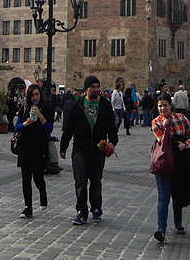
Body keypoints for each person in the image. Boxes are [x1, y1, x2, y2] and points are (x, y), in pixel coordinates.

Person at [60, 75, 118, 225]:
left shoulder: (104, 104)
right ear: (86, 89)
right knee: (80, 179)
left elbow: (111, 125)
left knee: (96, 180)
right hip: (80, 148)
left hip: (98, 149)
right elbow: (69, 127)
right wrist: (63, 147)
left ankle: (96, 209)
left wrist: (112, 142)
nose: (95, 90)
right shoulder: (78, 104)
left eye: (97, 87)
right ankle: (81, 211)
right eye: (92, 87)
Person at [150, 95, 190, 242]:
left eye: (164, 105)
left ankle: (178, 224)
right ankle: (161, 230)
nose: (162, 108)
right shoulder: (156, 122)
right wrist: (166, 125)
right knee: (163, 196)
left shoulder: (181, 118)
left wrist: (186, 144)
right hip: (164, 162)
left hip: (180, 161)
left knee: (177, 194)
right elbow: (161, 140)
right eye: (160, 106)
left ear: (170, 105)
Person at [14, 83, 54, 219]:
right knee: (26, 178)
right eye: (32, 95)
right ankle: (28, 207)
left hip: (40, 147)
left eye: (37, 94)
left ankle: (43, 193)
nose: (34, 98)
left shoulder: (47, 109)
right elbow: (16, 127)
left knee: (38, 177)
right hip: (25, 147)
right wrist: (26, 123)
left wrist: (41, 116)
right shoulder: (25, 108)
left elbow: (49, 129)